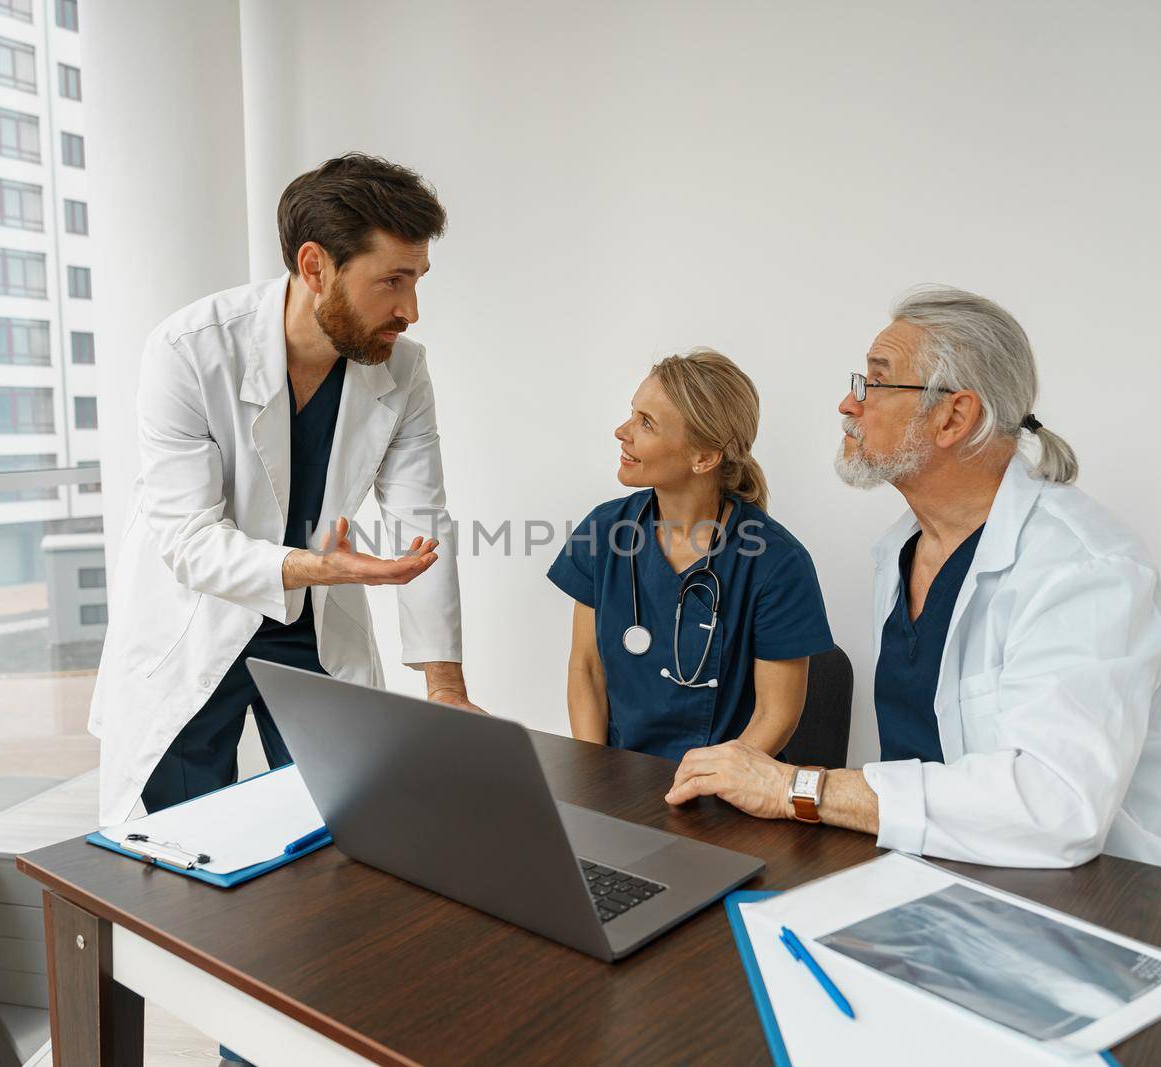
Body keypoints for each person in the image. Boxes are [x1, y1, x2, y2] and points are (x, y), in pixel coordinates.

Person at [663, 287, 1161, 1065]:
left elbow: (1056, 806)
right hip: (946, 907)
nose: (846, 402)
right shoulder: (902, 552)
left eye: (873, 381)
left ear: (953, 417)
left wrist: (802, 787)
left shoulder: (1085, 567)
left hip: (1101, 927)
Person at [89, 153, 481, 830]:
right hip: (195, 619)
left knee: (338, 834)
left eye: (416, 280)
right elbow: (187, 540)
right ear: (314, 266)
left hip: (311, 629)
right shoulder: (189, 350)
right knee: (185, 849)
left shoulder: (403, 370)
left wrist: (444, 686)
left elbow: (422, 519)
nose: (411, 310)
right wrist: (317, 566)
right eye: (392, 281)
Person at [546, 349, 833, 762]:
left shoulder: (777, 564)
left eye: (646, 423)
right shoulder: (605, 531)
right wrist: (596, 777)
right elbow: (587, 670)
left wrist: (708, 784)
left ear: (704, 457)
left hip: (729, 794)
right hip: (619, 780)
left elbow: (777, 714)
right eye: (633, 413)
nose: (621, 431)